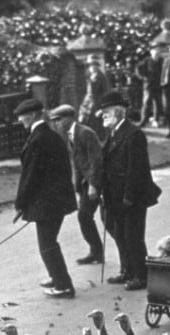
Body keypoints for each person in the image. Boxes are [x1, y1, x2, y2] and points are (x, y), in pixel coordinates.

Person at [98, 90, 163, 291]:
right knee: (120, 233)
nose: (103, 115)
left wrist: (129, 196)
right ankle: (127, 270)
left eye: (106, 112)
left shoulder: (134, 134)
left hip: (131, 196)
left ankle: (141, 276)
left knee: (133, 236)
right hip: (115, 195)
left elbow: (137, 169)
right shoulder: (114, 133)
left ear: (118, 112)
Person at [13, 98, 77, 299]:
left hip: (47, 202)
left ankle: (64, 285)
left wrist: (20, 203)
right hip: (56, 199)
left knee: (47, 244)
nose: (20, 120)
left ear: (32, 116)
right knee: (49, 241)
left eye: (22, 116)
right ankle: (55, 276)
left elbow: (30, 175)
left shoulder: (38, 139)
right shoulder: (50, 136)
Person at [49, 104, 104, 265]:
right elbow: (76, 162)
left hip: (95, 181)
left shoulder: (85, 133)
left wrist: (93, 184)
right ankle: (96, 252)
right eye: (54, 121)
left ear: (69, 118)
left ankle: (99, 252)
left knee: (87, 217)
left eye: (59, 120)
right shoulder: (70, 135)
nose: (56, 124)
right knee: (86, 217)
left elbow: (96, 160)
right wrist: (76, 185)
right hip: (85, 182)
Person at [80, 57, 111, 140]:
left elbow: (104, 90)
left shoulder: (100, 76)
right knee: (85, 118)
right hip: (88, 100)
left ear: (97, 66)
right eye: (90, 65)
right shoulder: (89, 75)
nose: (92, 67)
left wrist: (103, 104)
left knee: (96, 120)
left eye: (94, 65)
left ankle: (99, 139)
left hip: (97, 100)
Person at [137, 44, 165, 128]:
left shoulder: (161, 60)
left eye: (158, 52)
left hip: (158, 85)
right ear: (151, 52)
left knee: (157, 103)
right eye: (155, 52)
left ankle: (156, 120)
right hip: (148, 85)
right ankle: (143, 121)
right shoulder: (147, 60)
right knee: (146, 103)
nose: (157, 53)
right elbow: (138, 69)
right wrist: (143, 77)